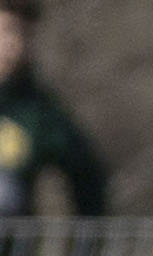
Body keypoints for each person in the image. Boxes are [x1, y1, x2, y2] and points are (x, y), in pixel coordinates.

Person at [0, 1, 105, 217]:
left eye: (25, 34)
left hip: (11, 235)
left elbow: (86, 175)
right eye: (6, 31)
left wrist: (85, 236)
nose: (15, 44)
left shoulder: (38, 111)